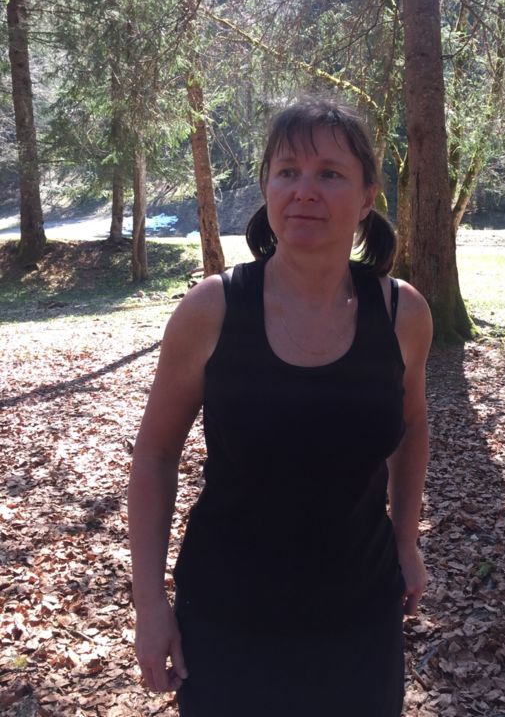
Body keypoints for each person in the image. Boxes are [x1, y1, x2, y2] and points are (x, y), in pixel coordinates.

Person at [128, 97, 432, 717]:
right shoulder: (212, 309)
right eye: (287, 171)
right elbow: (155, 455)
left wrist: (406, 540)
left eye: (330, 173)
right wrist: (150, 605)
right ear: (267, 187)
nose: (304, 191)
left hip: (359, 618)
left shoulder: (402, 313)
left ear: (368, 197)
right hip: (228, 622)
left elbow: (413, 424)